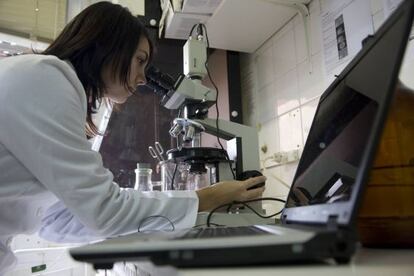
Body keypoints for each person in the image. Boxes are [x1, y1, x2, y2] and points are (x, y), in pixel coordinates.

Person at [0, 2, 265, 273]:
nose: (141, 78)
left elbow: (55, 220)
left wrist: (143, 221)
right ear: (106, 44)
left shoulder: (45, 82)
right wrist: (206, 197)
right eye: (140, 61)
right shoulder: (47, 80)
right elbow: (104, 210)